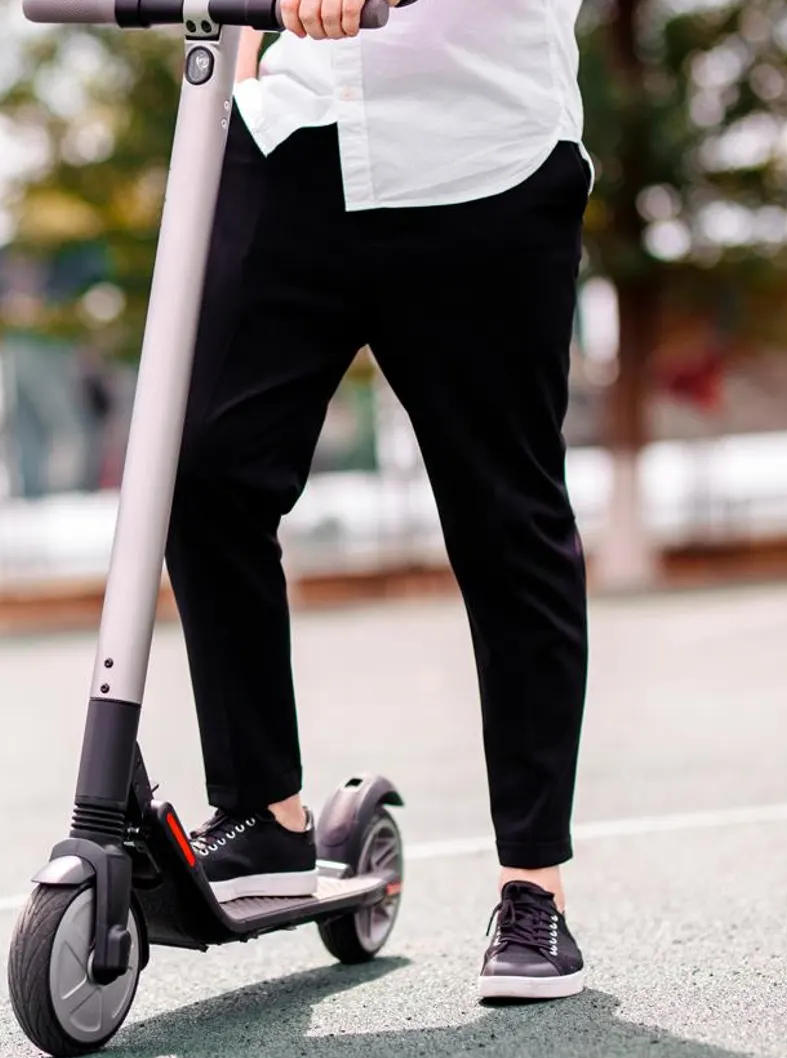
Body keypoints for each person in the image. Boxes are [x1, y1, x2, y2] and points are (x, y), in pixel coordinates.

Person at [170, 0, 592, 1001]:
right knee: (197, 475)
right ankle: (264, 817)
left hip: (479, 154)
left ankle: (533, 887)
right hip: (295, 138)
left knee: (504, 520)